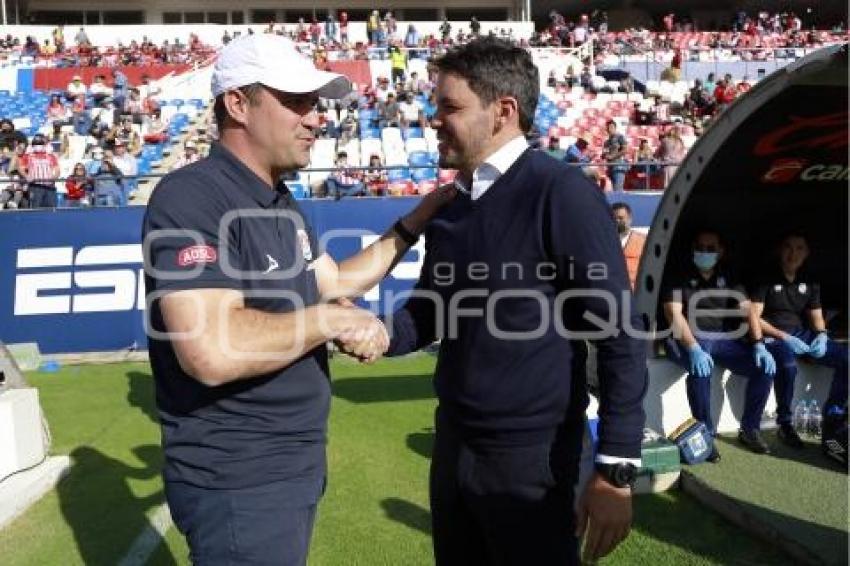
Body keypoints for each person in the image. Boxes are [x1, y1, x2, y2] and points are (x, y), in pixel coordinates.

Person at [142, 34, 454, 566]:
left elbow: (337, 285)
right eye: (295, 102)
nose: (315, 118)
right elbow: (211, 350)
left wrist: (415, 221)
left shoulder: (282, 203)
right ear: (238, 104)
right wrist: (331, 322)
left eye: (314, 104)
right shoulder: (192, 196)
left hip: (288, 465)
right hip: (239, 475)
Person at [384, 38, 646, 565]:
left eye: (450, 107)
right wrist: (378, 333)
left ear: (503, 111)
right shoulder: (452, 205)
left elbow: (619, 333)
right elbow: (431, 310)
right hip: (454, 450)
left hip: (534, 461)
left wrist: (617, 470)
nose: (434, 120)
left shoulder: (561, 192)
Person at [662, 229, 778, 460]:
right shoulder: (677, 275)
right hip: (687, 338)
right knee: (700, 372)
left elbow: (749, 312)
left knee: (764, 368)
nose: (705, 253)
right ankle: (706, 435)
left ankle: (750, 429)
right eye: (700, 248)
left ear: (721, 251)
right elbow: (673, 315)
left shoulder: (730, 276)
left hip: (722, 339)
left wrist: (758, 343)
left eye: (711, 249)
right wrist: (693, 347)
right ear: (692, 249)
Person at [750, 232, 848, 451]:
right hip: (773, 335)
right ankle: (785, 423)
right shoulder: (765, 276)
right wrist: (783, 337)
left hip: (800, 333)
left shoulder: (810, 279)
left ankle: (833, 417)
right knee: (787, 366)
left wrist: (822, 334)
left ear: (807, 252)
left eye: (799, 248)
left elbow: (816, 315)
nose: (793, 253)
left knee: (846, 357)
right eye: (788, 247)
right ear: (780, 250)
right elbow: (754, 317)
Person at [612, 202, 646, 291]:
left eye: (621, 218)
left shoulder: (643, 241)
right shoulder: (603, 242)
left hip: (636, 291)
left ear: (630, 219)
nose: (617, 222)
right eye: (614, 219)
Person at [21, 134, 60, 209]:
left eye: (40, 144)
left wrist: (54, 177)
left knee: (51, 208)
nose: (38, 146)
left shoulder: (50, 156)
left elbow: (57, 169)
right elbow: (21, 168)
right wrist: (26, 176)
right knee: (35, 208)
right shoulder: (27, 156)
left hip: (50, 186)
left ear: (44, 145)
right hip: (35, 186)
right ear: (32, 145)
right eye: (35, 144)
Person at [602, 120, 628, 191]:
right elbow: (604, 154)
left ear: (615, 127)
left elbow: (625, 150)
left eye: (611, 127)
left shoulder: (620, 137)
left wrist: (612, 156)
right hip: (610, 168)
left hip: (619, 166)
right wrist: (604, 155)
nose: (609, 129)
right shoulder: (606, 142)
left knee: (618, 190)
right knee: (614, 191)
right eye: (607, 127)